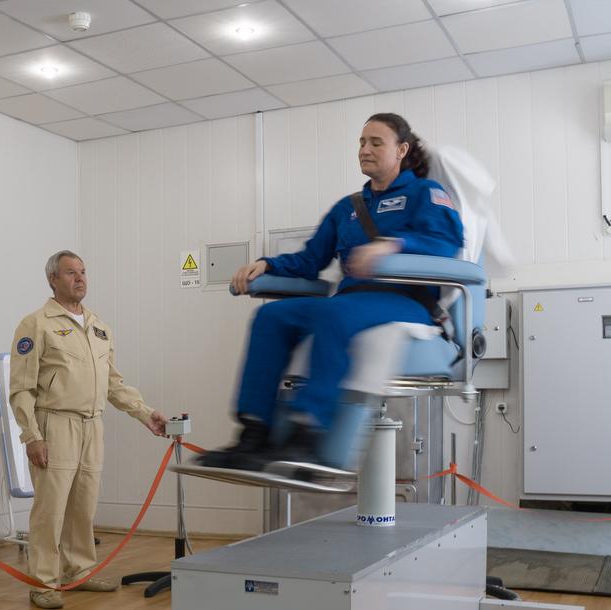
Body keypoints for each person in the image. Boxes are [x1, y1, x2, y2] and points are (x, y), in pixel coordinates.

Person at [198, 113, 464, 471]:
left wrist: (392, 244)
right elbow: (311, 259)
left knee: (331, 313)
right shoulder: (349, 208)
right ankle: (254, 433)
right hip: (353, 301)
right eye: (361, 142)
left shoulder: (426, 193)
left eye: (376, 142)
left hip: (407, 302)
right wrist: (269, 265)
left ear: (401, 149)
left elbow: (446, 245)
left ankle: (308, 432)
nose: (364, 149)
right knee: (270, 316)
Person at [9, 251, 167, 610]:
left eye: (83, 272)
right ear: (52, 279)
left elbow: (113, 384)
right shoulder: (36, 324)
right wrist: (31, 436)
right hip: (55, 423)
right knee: (51, 509)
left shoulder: (99, 327)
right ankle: (43, 581)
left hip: (92, 425)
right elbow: (21, 388)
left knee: (84, 505)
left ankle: (78, 572)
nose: (79, 278)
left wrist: (145, 414)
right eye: (70, 273)